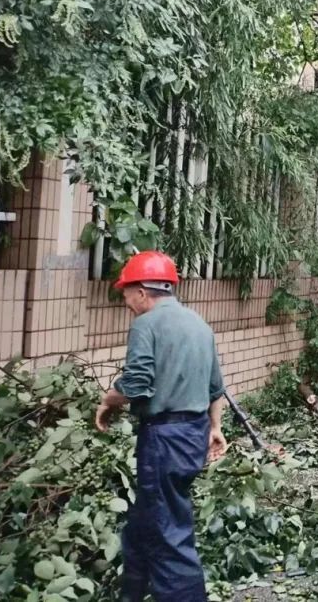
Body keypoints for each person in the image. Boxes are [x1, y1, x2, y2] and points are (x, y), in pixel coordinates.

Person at [94, 250, 227, 602]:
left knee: (169, 535)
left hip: (163, 439)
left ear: (142, 291)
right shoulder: (199, 324)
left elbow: (137, 383)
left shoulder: (146, 324)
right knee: (143, 525)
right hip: (193, 434)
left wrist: (108, 401)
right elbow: (216, 388)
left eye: (125, 293)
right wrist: (215, 427)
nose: (125, 302)